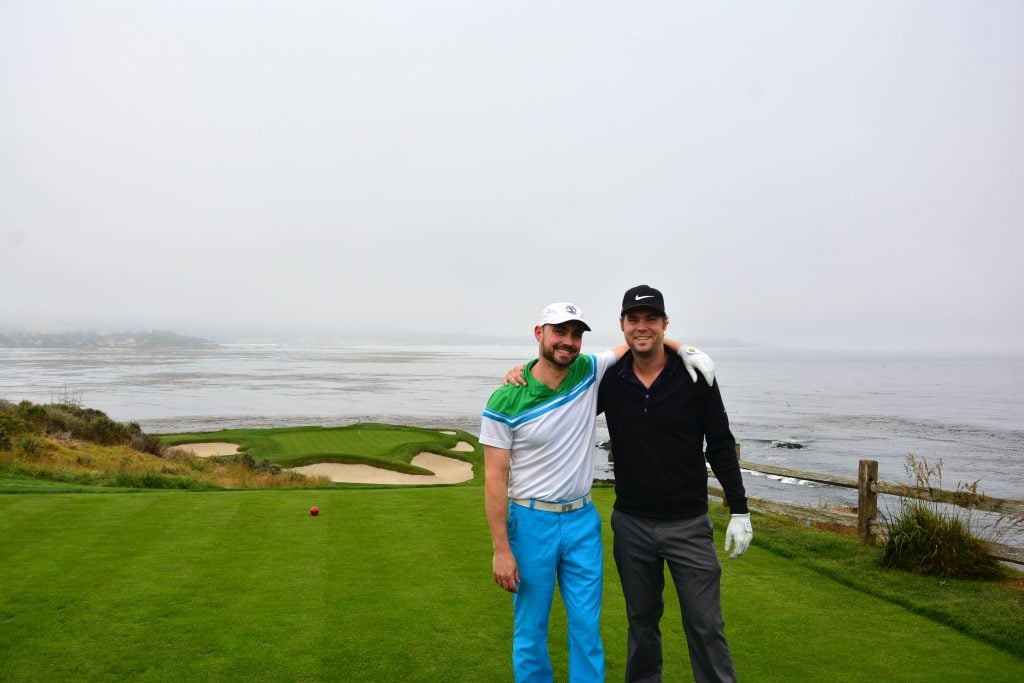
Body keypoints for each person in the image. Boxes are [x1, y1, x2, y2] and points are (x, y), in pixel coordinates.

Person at [482, 301, 713, 683]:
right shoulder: (505, 399)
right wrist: (501, 549)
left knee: (587, 627)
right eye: (560, 332)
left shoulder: (588, 370)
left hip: (581, 522)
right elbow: (494, 478)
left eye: (575, 334)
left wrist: (683, 347)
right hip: (530, 521)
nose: (568, 342)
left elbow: (640, 339)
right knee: (531, 629)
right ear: (539, 334)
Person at [600, 284, 751, 683]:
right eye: (634, 319)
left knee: (705, 626)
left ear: (665, 323)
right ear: (622, 325)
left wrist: (739, 509)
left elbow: (719, 442)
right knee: (642, 626)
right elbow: (559, 387)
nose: (642, 326)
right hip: (631, 523)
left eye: (651, 319)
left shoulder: (694, 375)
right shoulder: (610, 380)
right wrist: (521, 372)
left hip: (687, 524)